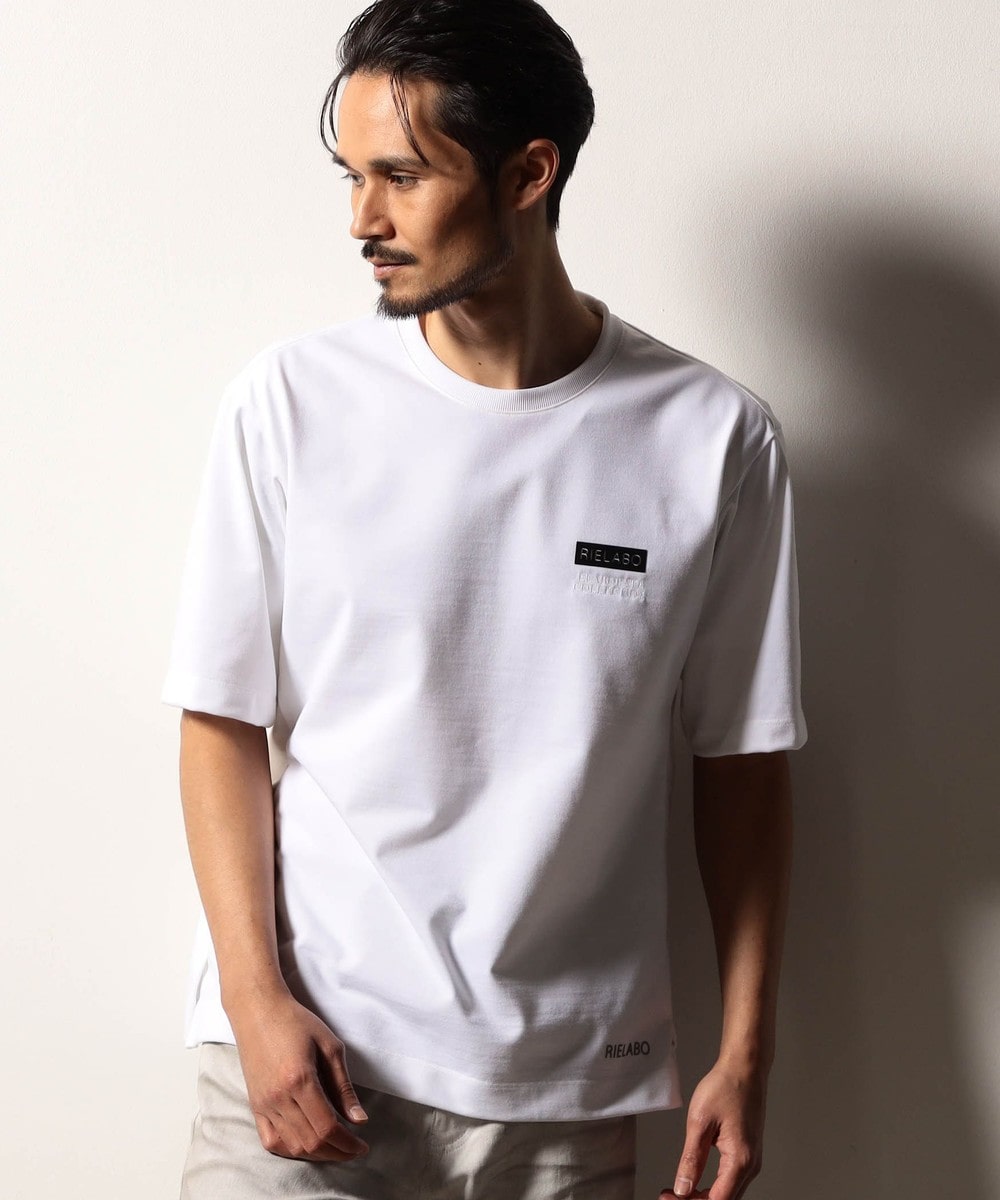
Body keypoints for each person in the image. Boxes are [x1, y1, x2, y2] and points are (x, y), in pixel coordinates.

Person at [161, 1, 807, 1197]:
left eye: (402, 177)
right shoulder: (289, 405)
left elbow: (742, 762)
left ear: (527, 173)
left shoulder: (714, 439)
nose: (363, 219)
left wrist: (745, 1052)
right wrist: (253, 1007)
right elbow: (219, 722)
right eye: (353, 175)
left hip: (565, 1088)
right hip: (305, 1059)